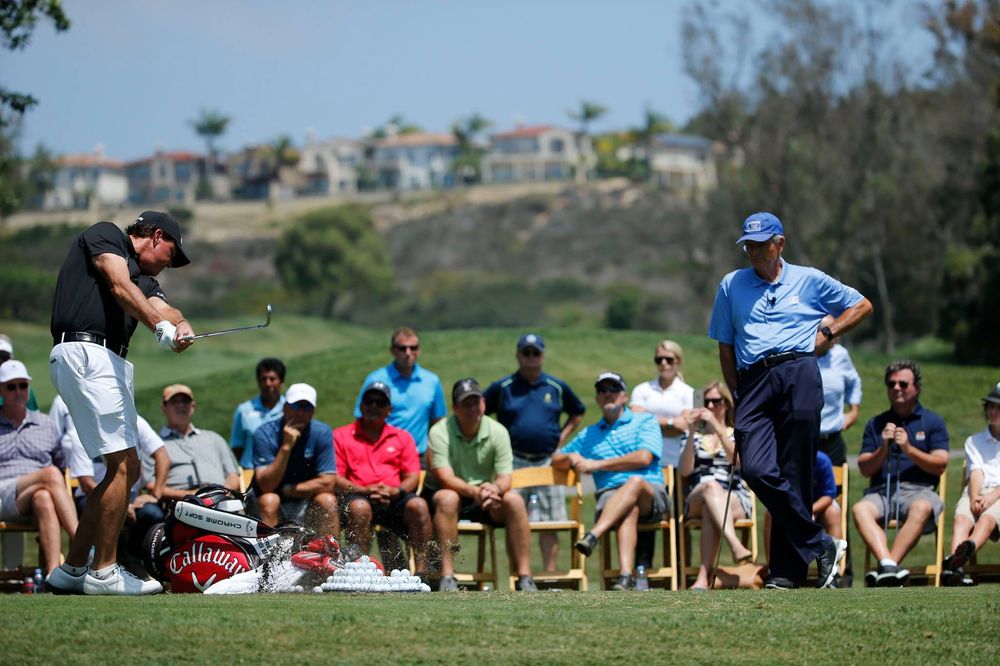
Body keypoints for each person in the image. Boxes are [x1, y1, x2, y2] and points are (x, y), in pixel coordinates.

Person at [708, 211, 872, 589]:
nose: (753, 252)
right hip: (753, 381)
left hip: (799, 372)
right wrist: (737, 395)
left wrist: (828, 331)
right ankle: (821, 544)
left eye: (761, 244)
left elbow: (862, 305)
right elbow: (726, 347)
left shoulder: (809, 279)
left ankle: (787, 573)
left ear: (779, 244)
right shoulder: (731, 285)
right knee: (756, 469)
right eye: (748, 245)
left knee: (795, 474)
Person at [47, 210, 194, 596]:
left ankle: (73, 567)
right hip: (85, 351)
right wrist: (157, 326)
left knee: (126, 463)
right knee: (120, 464)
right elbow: (117, 284)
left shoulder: (144, 280)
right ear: (157, 236)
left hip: (109, 361)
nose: (169, 265)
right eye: (171, 254)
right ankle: (104, 571)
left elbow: (165, 309)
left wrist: (178, 325)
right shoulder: (106, 236)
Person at [554, 372, 669, 591]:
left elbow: (643, 457)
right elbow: (556, 460)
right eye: (602, 390)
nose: (608, 394)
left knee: (634, 483)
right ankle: (626, 576)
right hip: (611, 497)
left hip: (651, 494)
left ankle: (594, 535)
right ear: (597, 398)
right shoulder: (589, 434)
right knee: (628, 507)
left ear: (624, 396)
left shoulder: (645, 420)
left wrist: (597, 465)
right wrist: (570, 457)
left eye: (613, 389)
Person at [483, 333, 586, 572]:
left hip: (547, 461)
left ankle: (549, 574)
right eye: (526, 352)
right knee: (515, 518)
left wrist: (561, 437)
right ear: (518, 355)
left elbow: (578, 411)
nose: (531, 357)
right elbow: (480, 411)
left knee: (549, 521)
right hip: (513, 462)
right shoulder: (504, 387)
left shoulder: (556, 387)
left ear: (542, 355)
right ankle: (519, 574)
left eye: (535, 353)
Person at [424, 378, 537, 592]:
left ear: (484, 404)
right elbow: (444, 478)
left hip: (484, 497)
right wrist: (477, 491)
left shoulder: (498, 431)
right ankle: (447, 577)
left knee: (514, 499)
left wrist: (494, 489)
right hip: (449, 496)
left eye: (476, 402)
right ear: (455, 408)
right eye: (466, 403)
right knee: (448, 497)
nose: (472, 408)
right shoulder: (439, 431)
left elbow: (505, 478)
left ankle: (525, 578)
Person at [853, 360, 948, 587]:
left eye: (903, 384)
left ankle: (888, 565)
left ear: (916, 388)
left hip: (919, 491)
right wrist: (883, 448)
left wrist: (908, 449)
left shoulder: (932, 421)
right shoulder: (876, 424)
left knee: (923, 507)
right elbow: (865, 468)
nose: (896, 388)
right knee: (859, 509)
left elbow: (941, 464)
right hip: (881, 492)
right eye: (891, 383)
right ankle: (889, 566)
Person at [334, 380, 431, 574]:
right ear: (361, 406)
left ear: (389, 409)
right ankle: (358, 570)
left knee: (419, 506)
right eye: (369, 402)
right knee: (359, 506)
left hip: (393, 498)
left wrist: (396, 491)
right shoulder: (341, 435)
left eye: (381, 403)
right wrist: (365, 490)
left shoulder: (403, 437)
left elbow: (412, 476)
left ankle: (423, 572)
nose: (374, 407)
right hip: (357, 496)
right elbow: (336, 478)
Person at [0, 360, 79, 575]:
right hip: (2, 494)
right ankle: (83, 544)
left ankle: (53, 574)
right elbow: (55, 472)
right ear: (1, 390)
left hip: (32, 498)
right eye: (11, 386)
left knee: (44, 497)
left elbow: (64, 466)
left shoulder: (46, 424)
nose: (18, 391)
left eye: (23, 385)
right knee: (50, 474)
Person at [678, 381, 753, 590]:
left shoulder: (734, 433)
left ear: (726, 404)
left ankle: (703, 578)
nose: (710, 406)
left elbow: (738, 463)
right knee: (710, 486)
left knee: (711, 508)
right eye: (707, 401)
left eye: (716, 401)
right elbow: (684, 471)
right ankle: (735, 545)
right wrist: (692, 430)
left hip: (734, 497)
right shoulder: (693, 435)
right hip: (698, 494)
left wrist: (717, 428)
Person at [629, 338, 694, 569]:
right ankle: (642, 571)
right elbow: (636, 422)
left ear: (678, 362)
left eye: (669, 359)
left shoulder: (688, 392)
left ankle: (680, 572)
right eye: (659, 359)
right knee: (648, 517)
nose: (664, 364)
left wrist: (652, 422)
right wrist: (669, 422)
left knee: (678, 519)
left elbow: (684, 425)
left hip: (678, 462)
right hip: (649, 465)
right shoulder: (642, 390)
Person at [252, 382, 338, 533]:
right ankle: (270, 555)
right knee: (269, 500)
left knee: (327, 500)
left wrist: (289, 490)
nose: (300, 413)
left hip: (305, 500)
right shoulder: (264, 434)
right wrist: (286, 447)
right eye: (296, 406)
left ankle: (330, 555)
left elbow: (328, 483)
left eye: (307, 408)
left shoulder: (322, 433)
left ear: (313, 411)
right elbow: (266, 486)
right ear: (285, 407)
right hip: (274, 502)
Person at [354, 327, 447, 467]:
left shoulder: (431, 381)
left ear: (419, 350)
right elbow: (361, 418)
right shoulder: (376, 379)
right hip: (381, 454)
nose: (408, 353)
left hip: (419, 456)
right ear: (392, 350)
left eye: (413, 348)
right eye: (402, 348)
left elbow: (437, 421)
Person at [941, 382, 1000, 586]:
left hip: (999, 494)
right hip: (978, 489)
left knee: (987, 520)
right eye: (991, 406)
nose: (993, 411)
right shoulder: (974, 441)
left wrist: (991, 497)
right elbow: (975, 471)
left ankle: (962, 556)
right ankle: (953, 570)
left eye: (998, 407)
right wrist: (975, 496)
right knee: (962, 520)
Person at [229, 358, 286, 469]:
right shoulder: (244, 410)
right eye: (263, 379)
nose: (268, 383)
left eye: (272, 379)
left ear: (281, 382)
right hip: (251, 472)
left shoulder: (289, 409)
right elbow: (237, 446)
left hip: (281, 473)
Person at [0, 335, 39, 410]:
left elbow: (35, 417)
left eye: (4, 356)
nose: (0, 361)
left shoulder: (23, 387)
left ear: (11, 357)